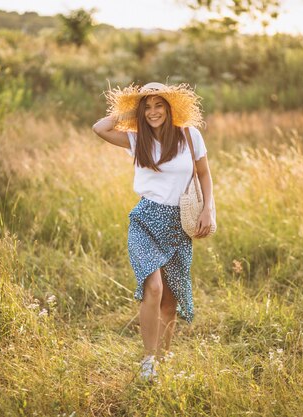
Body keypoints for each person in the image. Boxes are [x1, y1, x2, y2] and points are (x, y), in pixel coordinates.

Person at [92, 82, 214, 381]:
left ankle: (164, 357)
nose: (153, 112)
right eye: (147, 107)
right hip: (146, 219)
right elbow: (100, 127)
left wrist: (209, 208)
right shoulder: (137, 140)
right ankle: (148, 360)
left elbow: (204, 173)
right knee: (154, 288)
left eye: (159, 105)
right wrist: (130, 109)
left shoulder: (189, 135)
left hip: (179, 223)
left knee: (170, 301)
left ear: (170, 107)